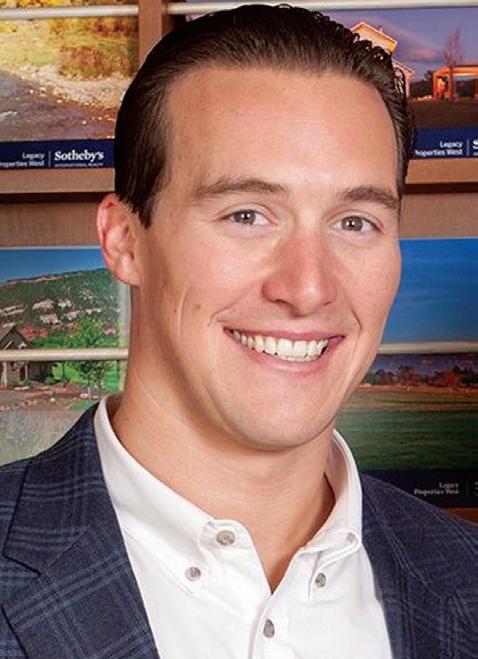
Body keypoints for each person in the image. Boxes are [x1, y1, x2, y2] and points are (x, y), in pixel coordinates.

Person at [1, 5, 476, 658]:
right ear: (125, 240)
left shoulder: (465, 577)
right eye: (247, 215)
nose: (308, 287)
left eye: (354, 222)